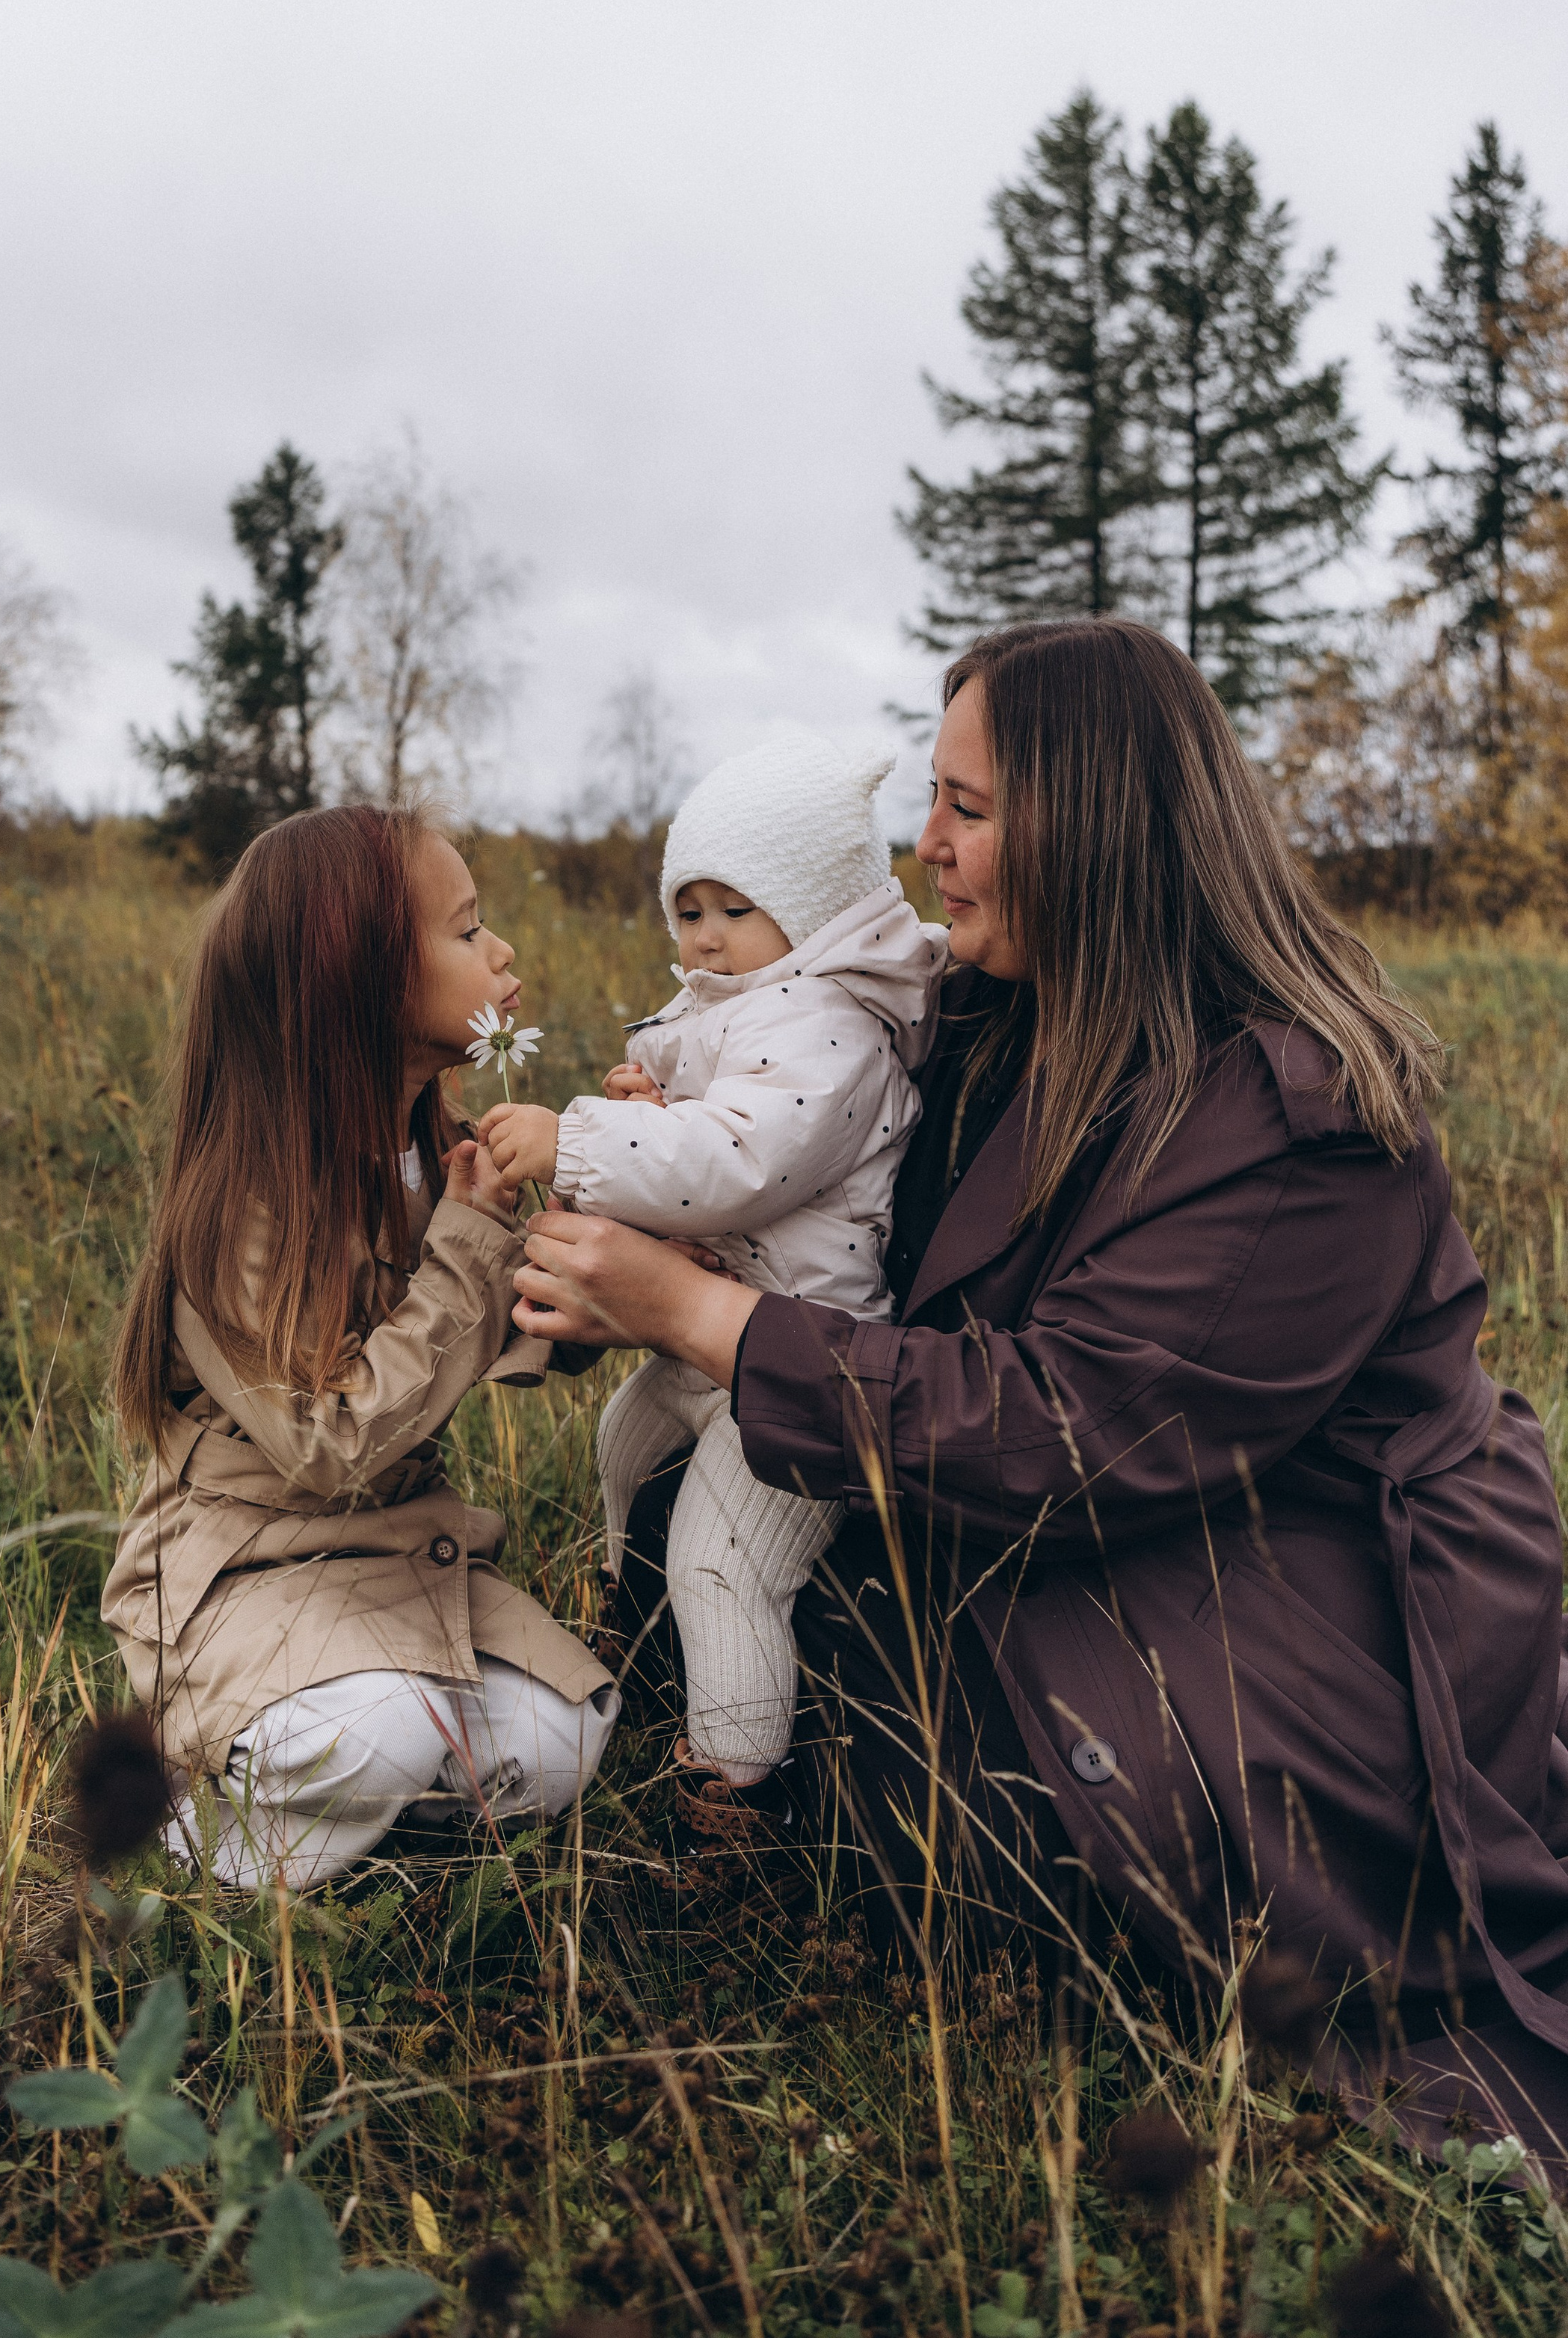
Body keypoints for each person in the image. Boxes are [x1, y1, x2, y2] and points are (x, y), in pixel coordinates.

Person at [511, 617, 1568, 2164]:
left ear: (1102, 824)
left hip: (1291, 1612)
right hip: (1110, 1533)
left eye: (969, 809)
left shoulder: (1292, 1112)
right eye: (927, 800)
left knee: (919, 1778)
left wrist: (705, 1317)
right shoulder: (1005, 1010)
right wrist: (672, 1237)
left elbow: (1066, 1430)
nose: (922, 853)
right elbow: (838, 1206)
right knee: (715, 1532)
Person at [101, 806, 615, 1892]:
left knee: (572, 1733)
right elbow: (333, 1446)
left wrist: (619, 1186)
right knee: (377, 1731)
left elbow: (514, 1329)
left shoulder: (434, 1148)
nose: (502, 952)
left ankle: (351, 1838)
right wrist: (474, 1246)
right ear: (362, 982)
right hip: (246, 1567)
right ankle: (184, 1853)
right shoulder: (241, 1204)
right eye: (467, 932)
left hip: (391, 1552)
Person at [481, 730, 945, 1837]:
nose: (706, 936)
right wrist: (651, 1100)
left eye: (736, 908)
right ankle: (629, 1631)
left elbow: (737, 1162)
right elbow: (708, 1121)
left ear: (819, 906)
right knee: (624, 1446)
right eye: (688, 908)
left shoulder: (833, 1027)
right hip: (718, 1338)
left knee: (724, 1560)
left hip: (805, 1364)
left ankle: (733, 1789)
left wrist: (581, 1139)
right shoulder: (745, 1003)